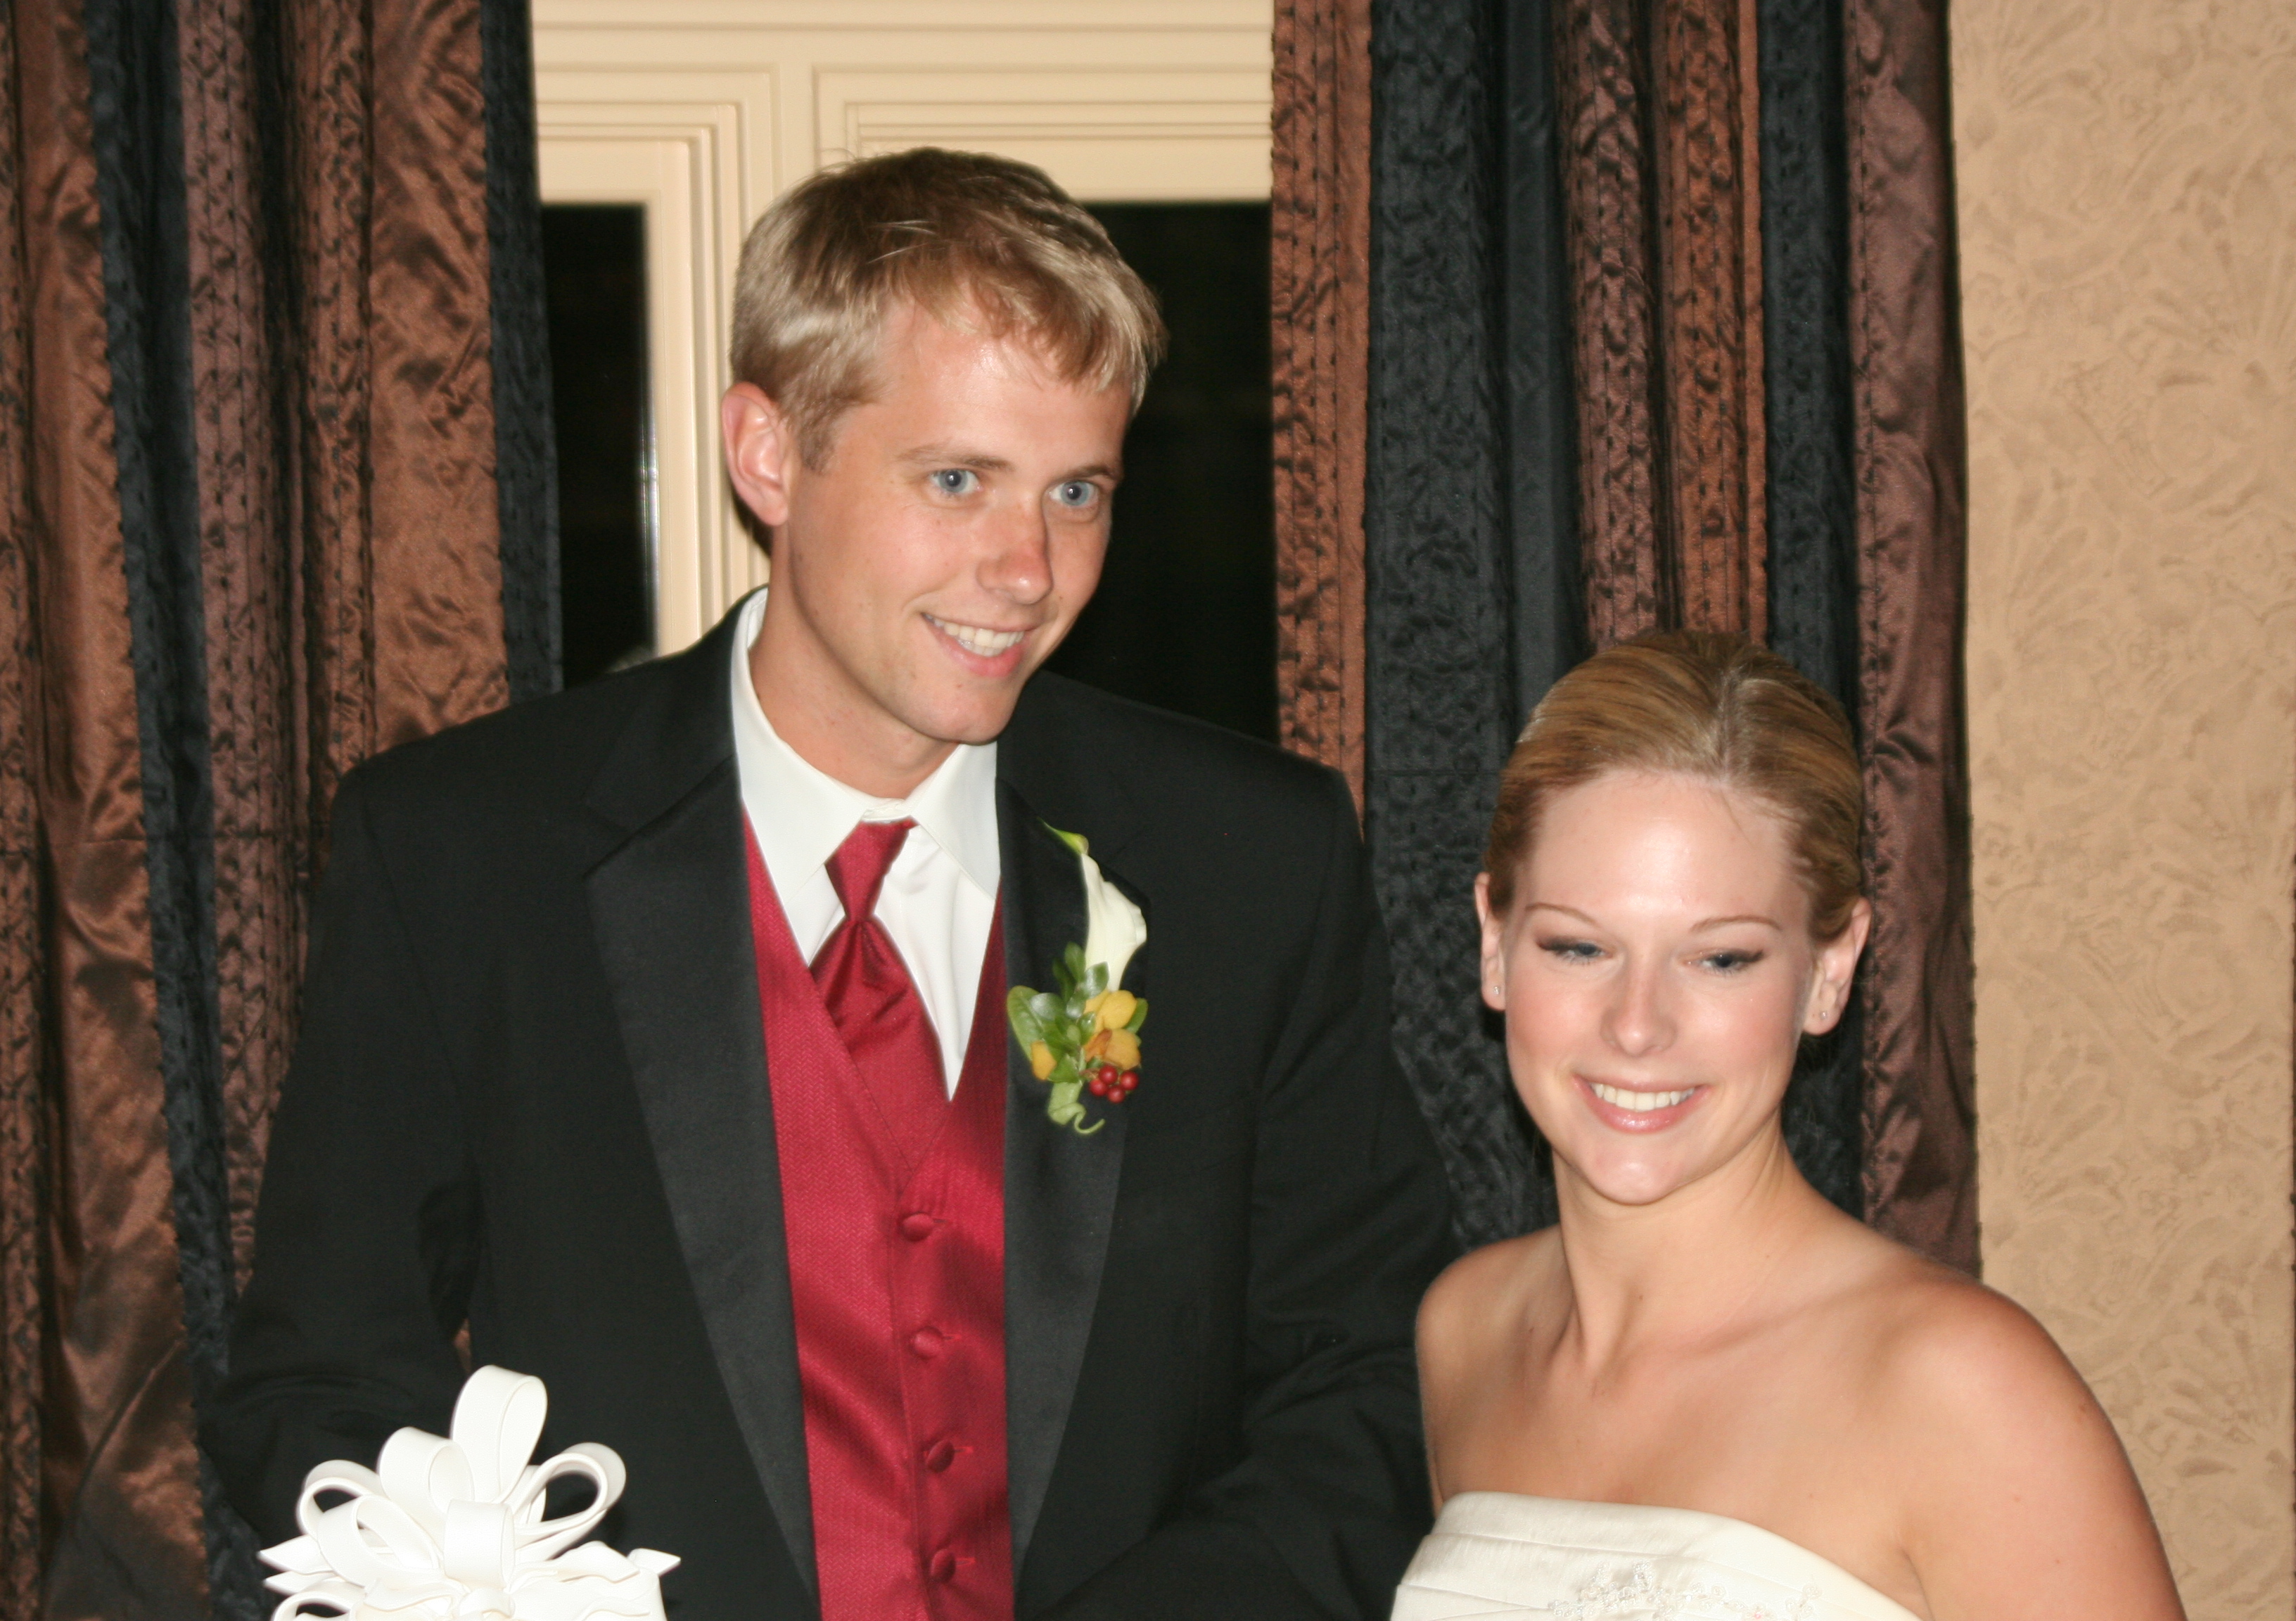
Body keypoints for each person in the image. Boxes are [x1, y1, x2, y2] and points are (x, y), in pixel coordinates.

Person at [203, 148, 1451, 1621]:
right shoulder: (465, 852)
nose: (1028, 569)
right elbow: (324, 1384)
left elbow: (1364, 1387)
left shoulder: (1250, 860)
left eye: (1077, 491)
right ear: (768, 455)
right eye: (955, 480)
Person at [1394, 634, 2183, 1621]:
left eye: (1720, 960)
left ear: (1829, 969)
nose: (1638, 1026)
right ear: (1495, 945)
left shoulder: (1960, 1387)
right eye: (1580, 946)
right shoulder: (1465, 1331)